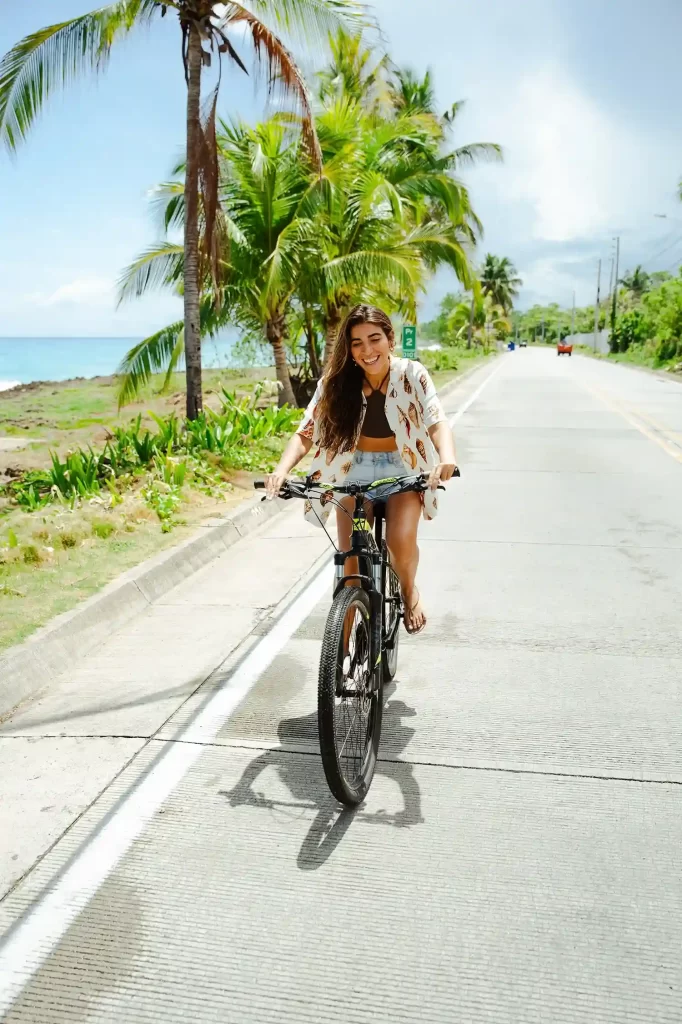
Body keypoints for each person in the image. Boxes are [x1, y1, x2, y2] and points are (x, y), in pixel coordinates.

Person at [265, 304, 458, 634]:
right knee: (350, 564)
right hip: (352, 471)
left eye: (374, 339)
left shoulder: (413, 374)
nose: (367, 351)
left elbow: (436, 421)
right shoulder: (336, 383)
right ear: (349, 349)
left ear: (390, 339)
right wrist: (281, 470)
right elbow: (306, 432)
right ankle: (339, 652)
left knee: (399, 541)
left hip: (403, 470)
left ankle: (409, 591)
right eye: (357, 343)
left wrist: (446, 459)